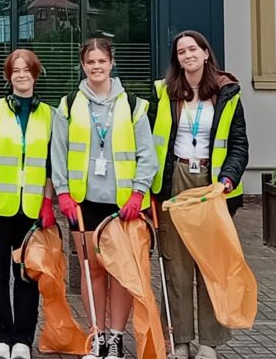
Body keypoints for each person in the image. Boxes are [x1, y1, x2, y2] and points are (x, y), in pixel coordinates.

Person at [50, 38, 158, 359]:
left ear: (112, 63)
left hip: (122, 204)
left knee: (120, 271)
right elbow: (58, 153)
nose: (96, 67)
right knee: (92, 269)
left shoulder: (134, 105)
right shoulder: (69, 104)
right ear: (82, 66)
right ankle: (97, 335)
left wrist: (139, 193)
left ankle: (116, 338)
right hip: (82, 202)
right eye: (90, 62)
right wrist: (63, 192)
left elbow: (147, 156)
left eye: (101, 61)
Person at [147, 31, 248, 359]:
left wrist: (229, 178)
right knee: (175, 266)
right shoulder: (165, 93)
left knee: (210, 265)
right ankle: (179, 339)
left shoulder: (227, 93)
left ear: (206, 53)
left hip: (212, 184)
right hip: (174, 181)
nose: (187, 55)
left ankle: (208, 342)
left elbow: (239, 144)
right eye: (181, 51)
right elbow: (151, 141)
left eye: (193, 49)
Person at [0, 49, 56, 359]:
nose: (21, 75)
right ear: (8, 77)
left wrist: (48, 202)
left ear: (35, 74)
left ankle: (22, 338)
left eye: (26, 70)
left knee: (27, 274)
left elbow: (50, 165)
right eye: (15, 70)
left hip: (31, 209)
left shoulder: (50, 114)